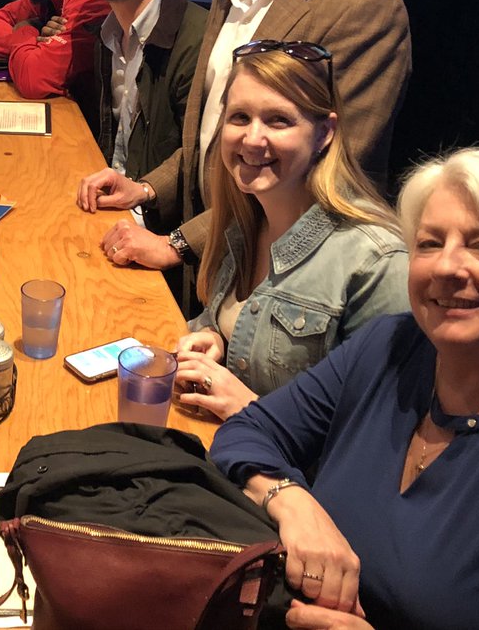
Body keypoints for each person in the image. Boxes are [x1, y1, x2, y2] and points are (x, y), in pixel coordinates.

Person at [210, 147, 479, 629]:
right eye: (429, 243)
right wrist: (294, 502)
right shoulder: (391, 346)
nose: (446, 267)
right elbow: (245, 434)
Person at [77, 0, 410, 296]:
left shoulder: (366, 6)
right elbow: (208, 135)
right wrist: (147, 189)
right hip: (215, 258)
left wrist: (179, 243)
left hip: (282, 275)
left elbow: (324, 170)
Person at [167, 44, 408, 421]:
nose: (252, 139)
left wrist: (251, 410)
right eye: (240, 117)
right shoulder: (246, 219)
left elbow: (376, 432)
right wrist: (215, 339)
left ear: (325, 133)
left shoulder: (376, 263)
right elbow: (244, 332)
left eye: (278, 120)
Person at [78, 0, 206, 231]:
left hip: (164, 230)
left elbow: (203, 154)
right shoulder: (106, 33)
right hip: (114, 208)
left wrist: (146, 191)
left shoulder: (195, 38)